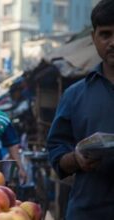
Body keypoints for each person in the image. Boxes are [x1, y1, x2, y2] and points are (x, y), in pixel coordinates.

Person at [46, 1, 114, 219]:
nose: (113, 42)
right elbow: (56, 154)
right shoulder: (74, 95)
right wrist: (76, 159)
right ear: (94, 38)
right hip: (88, 211)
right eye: (106, 34)